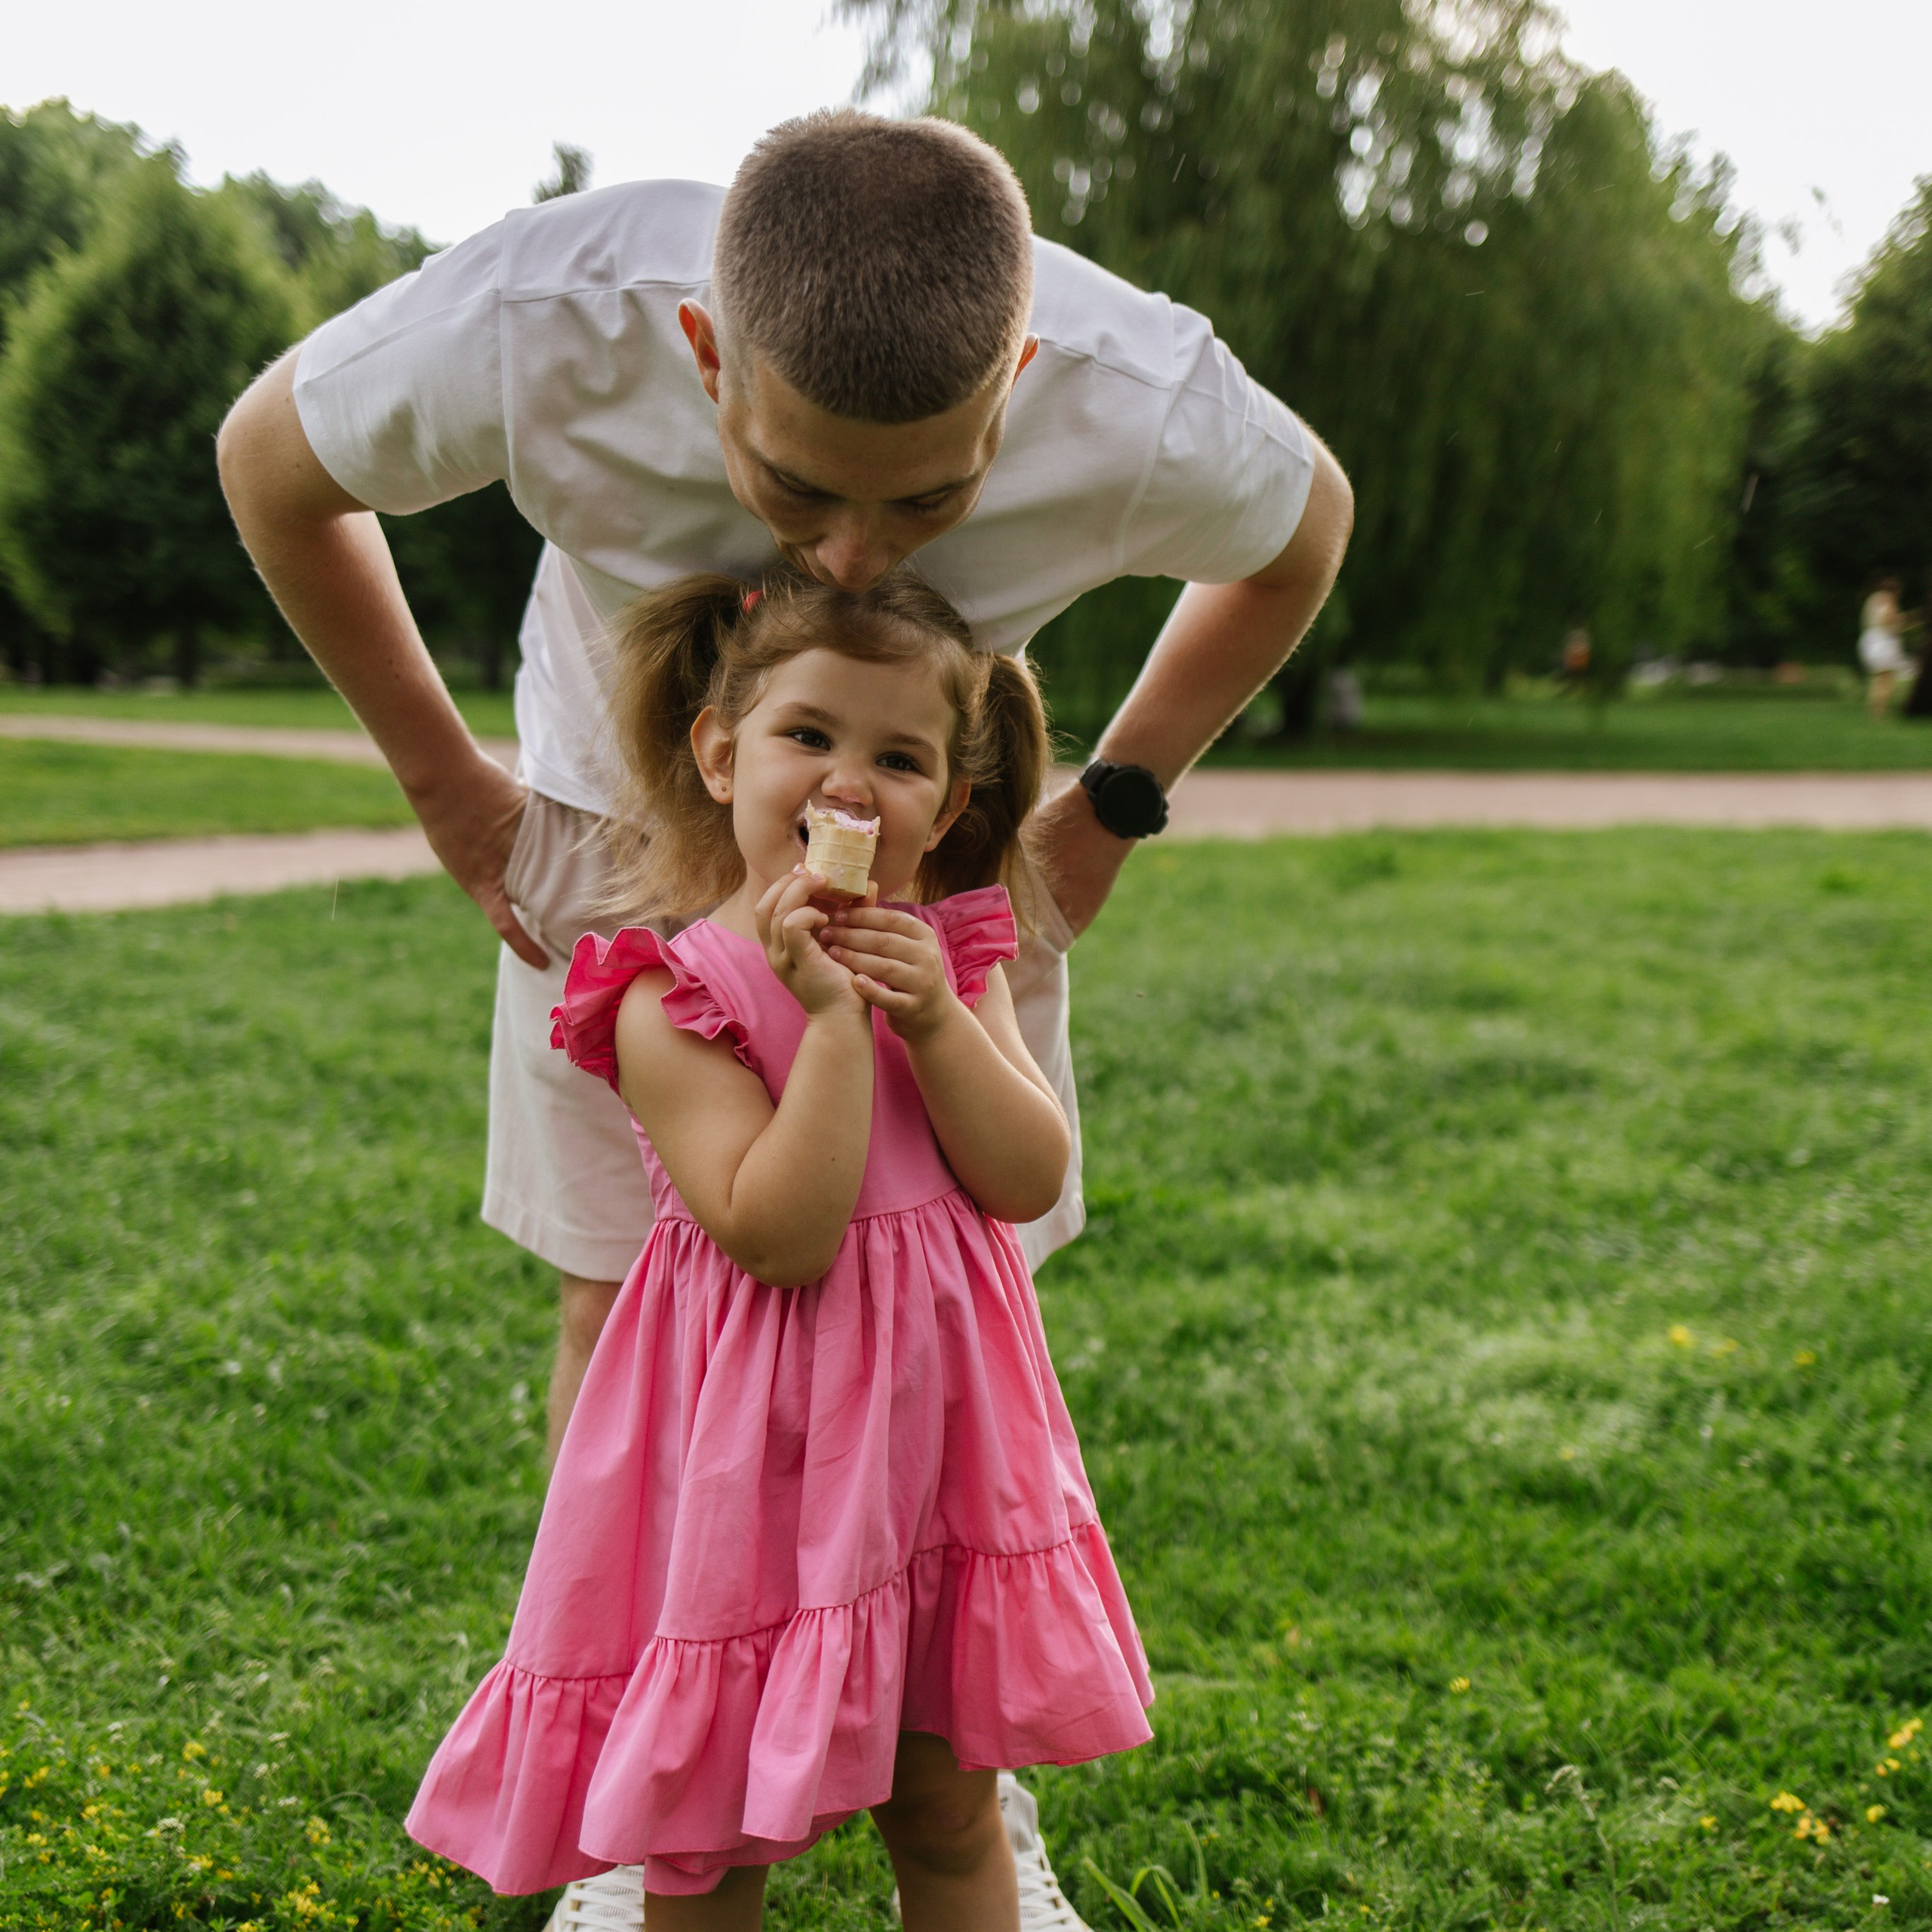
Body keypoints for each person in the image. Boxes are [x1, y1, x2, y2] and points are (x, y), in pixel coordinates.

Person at [217, 108, 1349, 1929]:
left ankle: (945, 1746)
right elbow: (272, 461)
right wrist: (449, 789)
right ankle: (659, 1773)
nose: (841, 555)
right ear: (700, 359)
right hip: (613, 824)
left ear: (1022, 380)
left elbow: (1303, 537)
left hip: (945, 864)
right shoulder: (547, 315)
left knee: (952, 1310)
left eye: (924, 497)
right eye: (793, 481)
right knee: (629, 1305)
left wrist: (1102, 810)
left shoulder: (1146, 395)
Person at [405, 565, 1152, 1930]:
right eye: (809, 736)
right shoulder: (665, 997)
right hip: (757, 1477)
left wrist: (930, 1016)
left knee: (947, 1806)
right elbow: (781, 1234)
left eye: (901, 757)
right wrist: (828, 1025)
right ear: (720, 753)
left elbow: (1026, 1172)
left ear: (954, 801)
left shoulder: (951, 954)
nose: (850, 783)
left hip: (932, 1460)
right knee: (714, 1835)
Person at [1859, 577, 1906, 717]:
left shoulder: (1873, 600)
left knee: (1878, 679)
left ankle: (1875, 710)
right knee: (1887, 679)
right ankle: (1880, 711)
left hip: (1870, 640)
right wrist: (1902, 619)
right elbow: (1888, 620)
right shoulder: (1888, 599)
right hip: (1883, 642)